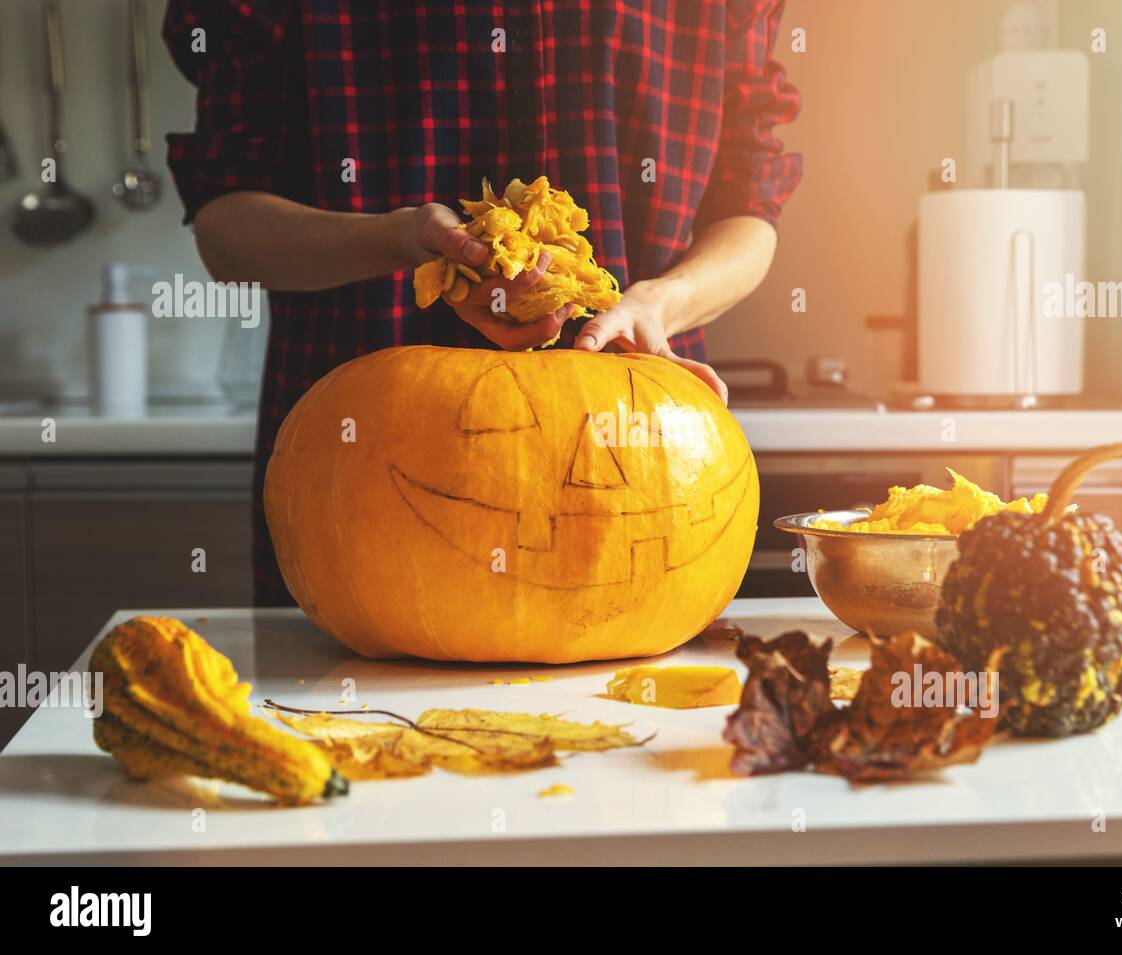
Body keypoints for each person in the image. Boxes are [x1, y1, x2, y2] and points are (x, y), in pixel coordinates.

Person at [162, 0, 802, 605]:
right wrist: (397, 239)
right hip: (362, 461)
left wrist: (661, 302)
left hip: (641, 440)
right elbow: (228, 229)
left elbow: (749, 209)